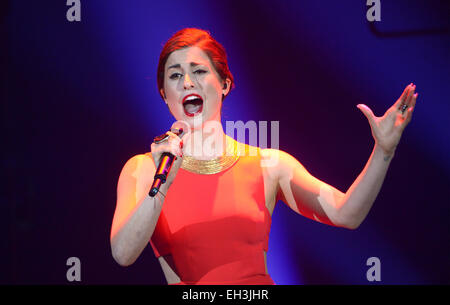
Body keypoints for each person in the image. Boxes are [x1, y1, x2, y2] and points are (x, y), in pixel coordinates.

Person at [110, 28, 418, 285]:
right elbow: (123, 253)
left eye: (199, 71)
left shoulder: (269, 165)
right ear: (164, 94)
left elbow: (345, 213)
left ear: (225, 84)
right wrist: (162, 183)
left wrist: (384, 150)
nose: (187, 82)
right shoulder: (144, 169)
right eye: (175, 76)